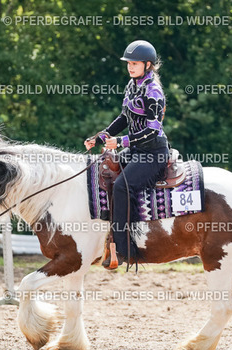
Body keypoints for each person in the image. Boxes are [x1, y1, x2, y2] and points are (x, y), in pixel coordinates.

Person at [84, 40, 169, 268]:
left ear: (147, 65)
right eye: (128, 63)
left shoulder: (153, 91)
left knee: (122, 186)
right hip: (137, 150)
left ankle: (123, 250)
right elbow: (123, 118)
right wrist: (100, 136)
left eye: (135, 63)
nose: (130, 67)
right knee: (102, 168)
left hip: (154, 153)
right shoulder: (132, 85)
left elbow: (153, 131)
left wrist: (121, 141)